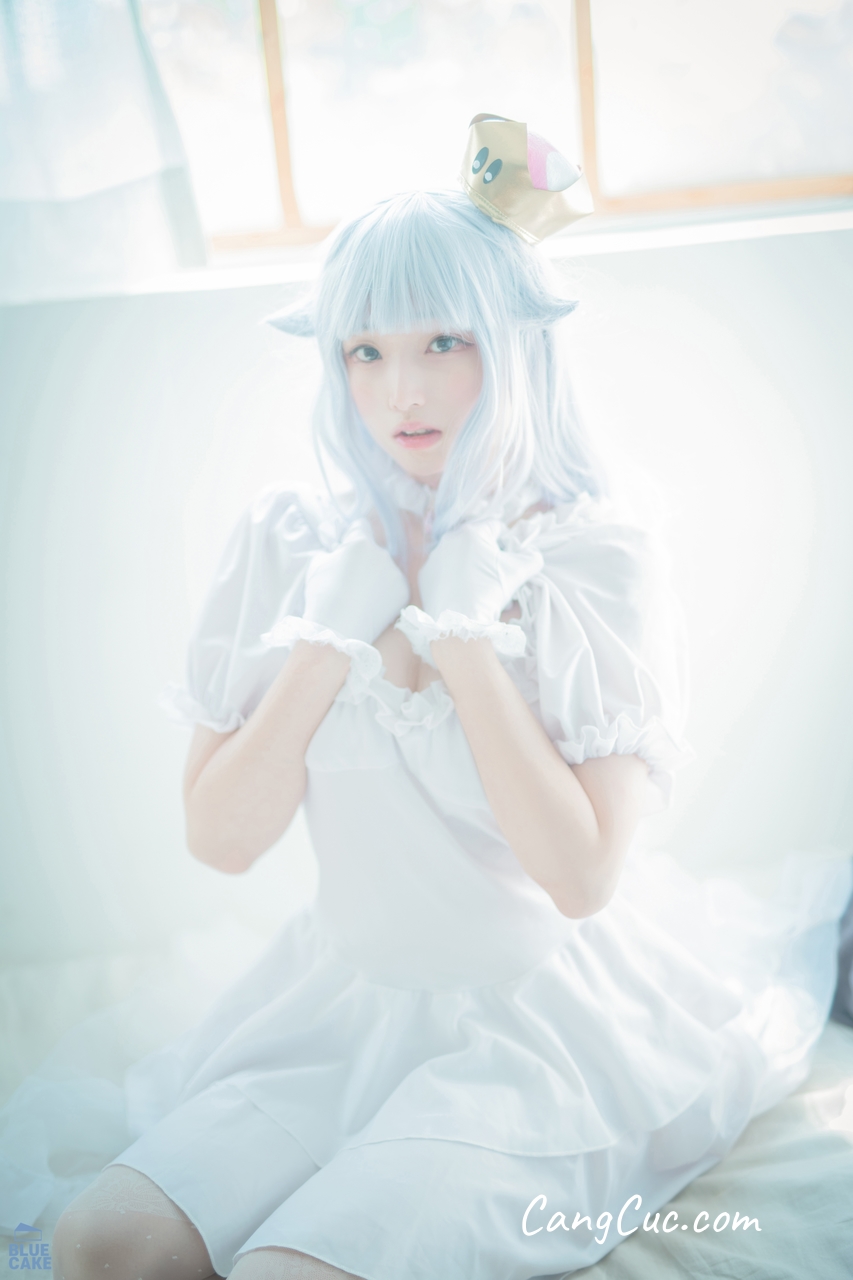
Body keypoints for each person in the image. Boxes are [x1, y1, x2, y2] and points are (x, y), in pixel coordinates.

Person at [46, 123, 846, 1280]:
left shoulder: (589, 557)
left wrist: (466, 642)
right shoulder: (291, 538)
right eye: (364, 351)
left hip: (531, 1029)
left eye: (442, 341)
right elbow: (220, 839)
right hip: (337, 1007)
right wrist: (326, 640)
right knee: (99, 1246)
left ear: (513, 344)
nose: (402, 389)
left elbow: (580, 876)